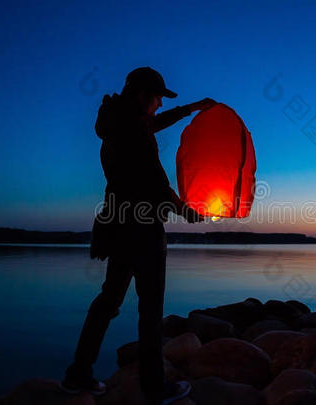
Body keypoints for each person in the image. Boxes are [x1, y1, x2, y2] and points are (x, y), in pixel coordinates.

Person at [60, 67, 216, 404]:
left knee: (108, 301)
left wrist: (190, 109)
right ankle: (154, 388)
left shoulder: (118, 123)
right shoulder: (135, 132)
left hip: (117, 226)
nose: (160, 104)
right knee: (150, 310)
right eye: (158, 97)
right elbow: (157, 183)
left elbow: (152, 124)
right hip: (143, 230)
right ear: (143, 94)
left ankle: (79, 375)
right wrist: (186, 211)